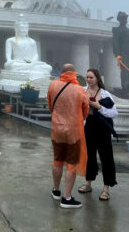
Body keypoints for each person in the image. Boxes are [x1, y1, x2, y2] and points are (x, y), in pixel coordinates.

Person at [47, 63, 89, 209]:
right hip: (74, 132)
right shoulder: (79, 89)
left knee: (57, 160)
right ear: (74, 73)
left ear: (62, 72)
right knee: (71, 164)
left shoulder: (53, 85)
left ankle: (56, 190)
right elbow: (85, 111)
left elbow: (50, 105)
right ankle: (66, 198)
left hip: (57, 129)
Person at [78, 68, 118, 201]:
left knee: (106, 157)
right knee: (89, 157)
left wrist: (98, 107)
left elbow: (114, 112)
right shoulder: (82, 91)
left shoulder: (105, 94)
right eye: (87, 77)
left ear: (97, 79)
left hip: (103, 129)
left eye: (91, 78)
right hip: (88, 127)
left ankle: (106, 188)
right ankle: (88, 183)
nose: (89, 80)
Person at [112, 11, 129, 92]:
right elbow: (115, 42)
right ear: (120, 19)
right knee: (125, 71)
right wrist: (117, 54)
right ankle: (125, 87)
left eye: (126, 17)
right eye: (124, 18)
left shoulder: (128, 30)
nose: (126, 19)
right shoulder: (116, 30)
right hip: (123, 54)